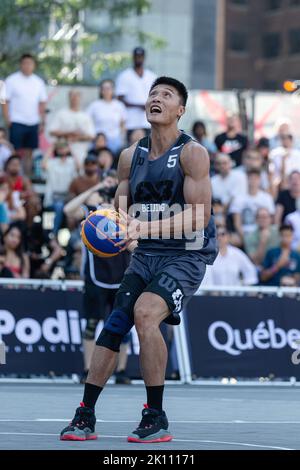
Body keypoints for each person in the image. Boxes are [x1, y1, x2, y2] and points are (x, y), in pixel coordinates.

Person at [59, 76, 218, 443]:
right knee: (115, 324)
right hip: (146, 255)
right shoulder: (130, 156)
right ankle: (85, 415)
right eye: (152, 94)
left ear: (180, 110)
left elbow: (199, 217)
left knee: (146, 313)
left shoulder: (192, 153)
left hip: (186, 256)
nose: (156, 99)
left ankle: (155, 415)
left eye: (166, 95)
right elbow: (122, 213)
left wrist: (141, 229)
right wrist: (106, 227)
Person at [64, 177, 131, 385]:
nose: (106, 194)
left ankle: (121, 371)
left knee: (123, 325)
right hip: (96, 277)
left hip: (121, 276)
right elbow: (68, 210)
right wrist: (96, 186)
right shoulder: (91, 215)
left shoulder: (126, 214)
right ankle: (88, 369)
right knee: (91, 324)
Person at [2, 54, 47, 176]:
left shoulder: (38, 82)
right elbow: (4, 99)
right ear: (21, 64)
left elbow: (42, 103)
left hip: (33, 121)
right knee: (14, 151)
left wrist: (42, 121)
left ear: (34, 65)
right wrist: (7, 118)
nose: (27, 66)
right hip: (16, 121)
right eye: (25, 63)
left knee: (29, 153)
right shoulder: (11, 80)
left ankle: (26, 179)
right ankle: (12, 179)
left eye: (30, 63)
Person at [116, 47, 157, 142]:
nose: (139, 58)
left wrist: (149, 105)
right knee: (132, 150)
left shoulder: (152, 76)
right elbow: (119, 98)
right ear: (133, 57)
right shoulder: (124, 76)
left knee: (150, 149)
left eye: (141, 56)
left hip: (148, 120)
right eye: (137, 56)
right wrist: (139, 106)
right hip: (131, 121)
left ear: (144, 58)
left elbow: (156, 95)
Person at [48, 90, 96, 168]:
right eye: (72, 96)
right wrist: (69, 133)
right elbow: (52, 131)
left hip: (81, 152)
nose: (74, 98)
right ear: (69, 98)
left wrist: (77, 138)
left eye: (77, 96)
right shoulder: (61, 114)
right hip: (63, 154)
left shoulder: (85, 116)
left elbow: (92, 136)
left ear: (80, 98)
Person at [42, 139, 79, 235]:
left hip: (68, 198)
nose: (62, 149)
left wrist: (71, 148)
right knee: (59, 206)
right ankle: (53, 235)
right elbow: (43, 165)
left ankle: (70, 237)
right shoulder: (52, 162)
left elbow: (79, 167)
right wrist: (52, 146)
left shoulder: (71, 162)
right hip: (53, 198)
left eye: (64, 147)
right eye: (60, 147)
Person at [230, 169, 275, 243]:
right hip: (244, 233)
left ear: (260, 180)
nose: (253, 181)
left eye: (256, 178)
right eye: (251, 178)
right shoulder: (238, 198)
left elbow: (271, 220)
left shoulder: (267, 198)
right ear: (247, 179)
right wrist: (245, 238)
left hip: (261, 232)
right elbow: (237, 223)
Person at [87, 80, 126, 155]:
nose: (106, 91)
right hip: (98, 141)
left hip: (115, 140)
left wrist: (121, 139)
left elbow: (123, 124)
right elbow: (87, 121)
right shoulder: (94, 105)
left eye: (108, 88)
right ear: (101, 91)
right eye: (104, 88)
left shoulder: (119, 105)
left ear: (113, 90)